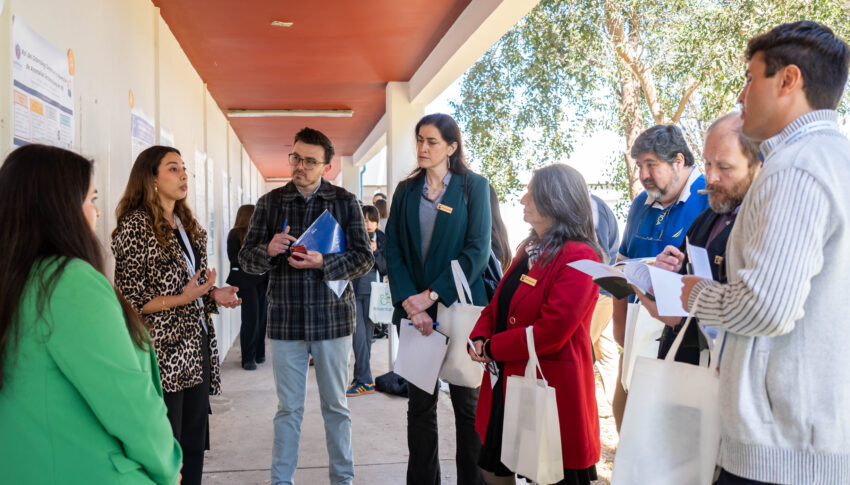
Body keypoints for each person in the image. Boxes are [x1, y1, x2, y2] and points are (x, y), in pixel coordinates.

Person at [679, 21, 850, 485]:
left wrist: (695, 294)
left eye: (751, 78)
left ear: (789, 80)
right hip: (800, 440)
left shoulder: (798, 166)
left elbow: (766, 308)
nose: (740, 95)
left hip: (780, 450)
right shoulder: (830, 159)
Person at [0, 144, 182, 484]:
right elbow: (127, 400)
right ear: (59, 210)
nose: (96, 213)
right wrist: (168, 465)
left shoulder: (15, 280)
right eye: (91, 200)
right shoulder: (68, 282)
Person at [238, 127, 373, 485]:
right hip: (286, 323)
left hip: (332, 323)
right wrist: (267, 251)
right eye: (295, 157)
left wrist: (323, 263)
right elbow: (246, 259)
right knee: (288, 410)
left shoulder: (345, 203)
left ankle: (342, 480)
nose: (299, 166)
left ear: (326, 167)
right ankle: (281, 481)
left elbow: (364, 258)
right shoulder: (270, 204)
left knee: (336, 408)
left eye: (309, 161)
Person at [112, 145, 241, 485]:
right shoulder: (135, 225)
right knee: (167, 445)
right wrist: (183, 297)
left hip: (195, 346)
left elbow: (190, 289)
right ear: (151, 179)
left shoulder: (184, 224)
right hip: (163, 352)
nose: (183, 175)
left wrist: (213, 294)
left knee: (194, 443)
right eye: (172, 168)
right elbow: (129, 298)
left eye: (184, 168)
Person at [468, 164, 603, 485]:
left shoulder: (582, 257)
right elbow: (498, 304)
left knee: (550, 475)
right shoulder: (528, 249)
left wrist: (492, 348)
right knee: (494, 466)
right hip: (509, 383)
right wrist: (478, 336)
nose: (522, 199)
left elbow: (551, 333)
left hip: (551, 389)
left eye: (532, 192)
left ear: (556, 200)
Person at [385, 112, 491, 485]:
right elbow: (393, 249)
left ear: (451, 147)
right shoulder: (406, 191)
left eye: (431, 141)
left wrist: (431, 296)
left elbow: (477, 250)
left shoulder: (473, 187)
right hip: (415, 313)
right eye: (419, 140)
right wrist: (411, 304)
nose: (423, 148)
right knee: (420, 407)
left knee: (467, 405)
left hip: (460, 308)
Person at [610, 124, 709, 431]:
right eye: (639, 165)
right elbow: (623, 265)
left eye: (651, 165)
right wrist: (619, 327)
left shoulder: (707, 195)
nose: (643, 174)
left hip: (683, 335)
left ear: (678, 161)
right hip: (635, 330)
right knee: (623, 414)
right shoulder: (641, 203)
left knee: (667, 431)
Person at [643, 113, 760, 365]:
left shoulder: (766, 224)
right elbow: (692, 276)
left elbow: (755, 313)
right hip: (684, 365)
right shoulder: (708, 216)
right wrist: (675, 268)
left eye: (724, 167)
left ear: (757, 165)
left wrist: (686, 313)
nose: (711, 177)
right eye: (707, 164)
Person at [348, 205, 388, 396]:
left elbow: (386, 267)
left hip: (374, 294)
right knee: (358, 337)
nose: (369, 224)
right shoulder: (353, 237)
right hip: (354, 292)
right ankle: (363, 378)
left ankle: (363, 379)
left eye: (372, 220)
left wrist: (376, 252)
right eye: (365, 220)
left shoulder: (382, 238)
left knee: (366, 338)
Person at [227, 204, 269, 370]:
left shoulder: (259, 234)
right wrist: (255, 261)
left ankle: (259, 353)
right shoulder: (235, 234)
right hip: (245, 281)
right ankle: (248, 358)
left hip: (262, 278)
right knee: (251, 319)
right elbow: (234, 258)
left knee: (262, 317)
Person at [588, 194, 620, 404]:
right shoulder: (595, 204)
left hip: (596, 293)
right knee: (608, 358)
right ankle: (622, 414)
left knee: (579, 352)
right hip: (605, 292)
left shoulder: (589, 207)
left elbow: (598, 256)